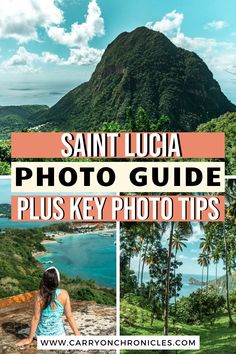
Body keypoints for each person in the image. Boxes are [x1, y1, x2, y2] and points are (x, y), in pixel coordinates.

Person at [16, 266, 80, 346]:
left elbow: (36, 318)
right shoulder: (64, 294)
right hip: (59, 336)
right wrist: (77, 335)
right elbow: (69, 316)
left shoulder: (39, 296)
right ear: (58, 281)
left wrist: (29, 339)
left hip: (41, 337)